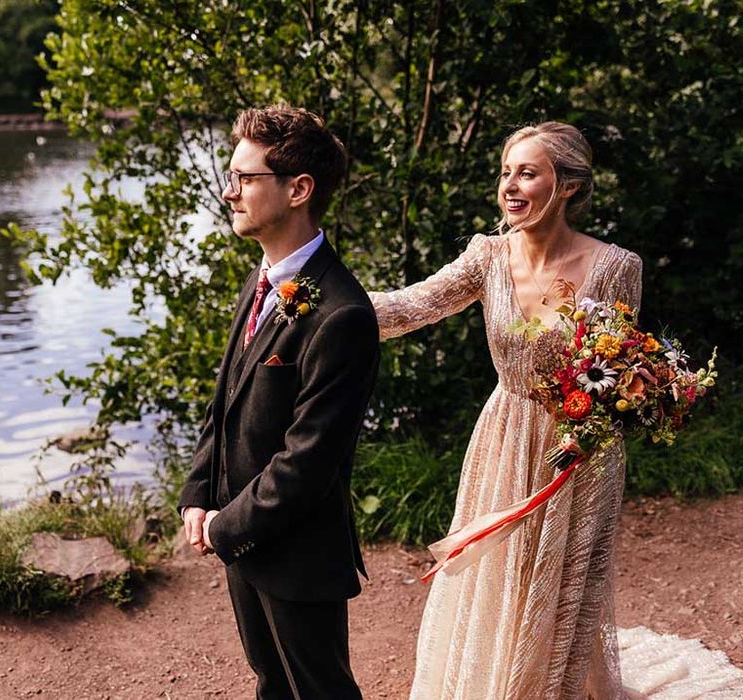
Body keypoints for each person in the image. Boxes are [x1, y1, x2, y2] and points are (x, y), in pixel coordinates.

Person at [369, 122, 642, 699]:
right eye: (505, 172)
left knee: (565, 585)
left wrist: (594, 432)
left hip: (580, 447)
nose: (510, 186)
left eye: (527, 173)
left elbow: (617, 370)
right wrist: (323, 300)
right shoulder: (487, 256)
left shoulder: (616, 266)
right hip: (503, 437)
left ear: (565, 184)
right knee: (501, 579)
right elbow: (410, 306)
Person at [178, 105, 379, 700]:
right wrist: (198, 495)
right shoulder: (264, 277)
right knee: (271, 684)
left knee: (319, 691)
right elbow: (227, 400)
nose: (229, 191)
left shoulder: (342, 314)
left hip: (297, 552)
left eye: (244, 179)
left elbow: (307, 462)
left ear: (298, 189)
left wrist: (224, 528)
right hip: (243, 539)